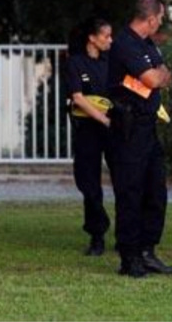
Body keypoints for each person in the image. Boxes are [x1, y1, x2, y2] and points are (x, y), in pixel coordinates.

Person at [107, 0, 172, 277]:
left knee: (156, 191)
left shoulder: (147, 45)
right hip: (128, 128)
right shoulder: (124, 43)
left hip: (148, 126)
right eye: (160, 18)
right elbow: (154, 79)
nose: (160, 23)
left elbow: (163, 74)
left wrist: (158, 74)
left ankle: (147, 251)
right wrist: (157, 74)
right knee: (131, 192)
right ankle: (129, 257)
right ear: (151, 18)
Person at [65, 17, 113, 256]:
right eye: (106, 36)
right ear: (92, 38)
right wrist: (103, 119)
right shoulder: (75, 63)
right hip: (88, 130)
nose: (110, 40)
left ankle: (128, 235)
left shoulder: (112, 62)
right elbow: (78, 98)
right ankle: (97, 234)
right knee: (89, 183)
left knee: (126, 181)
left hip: (114, 129)